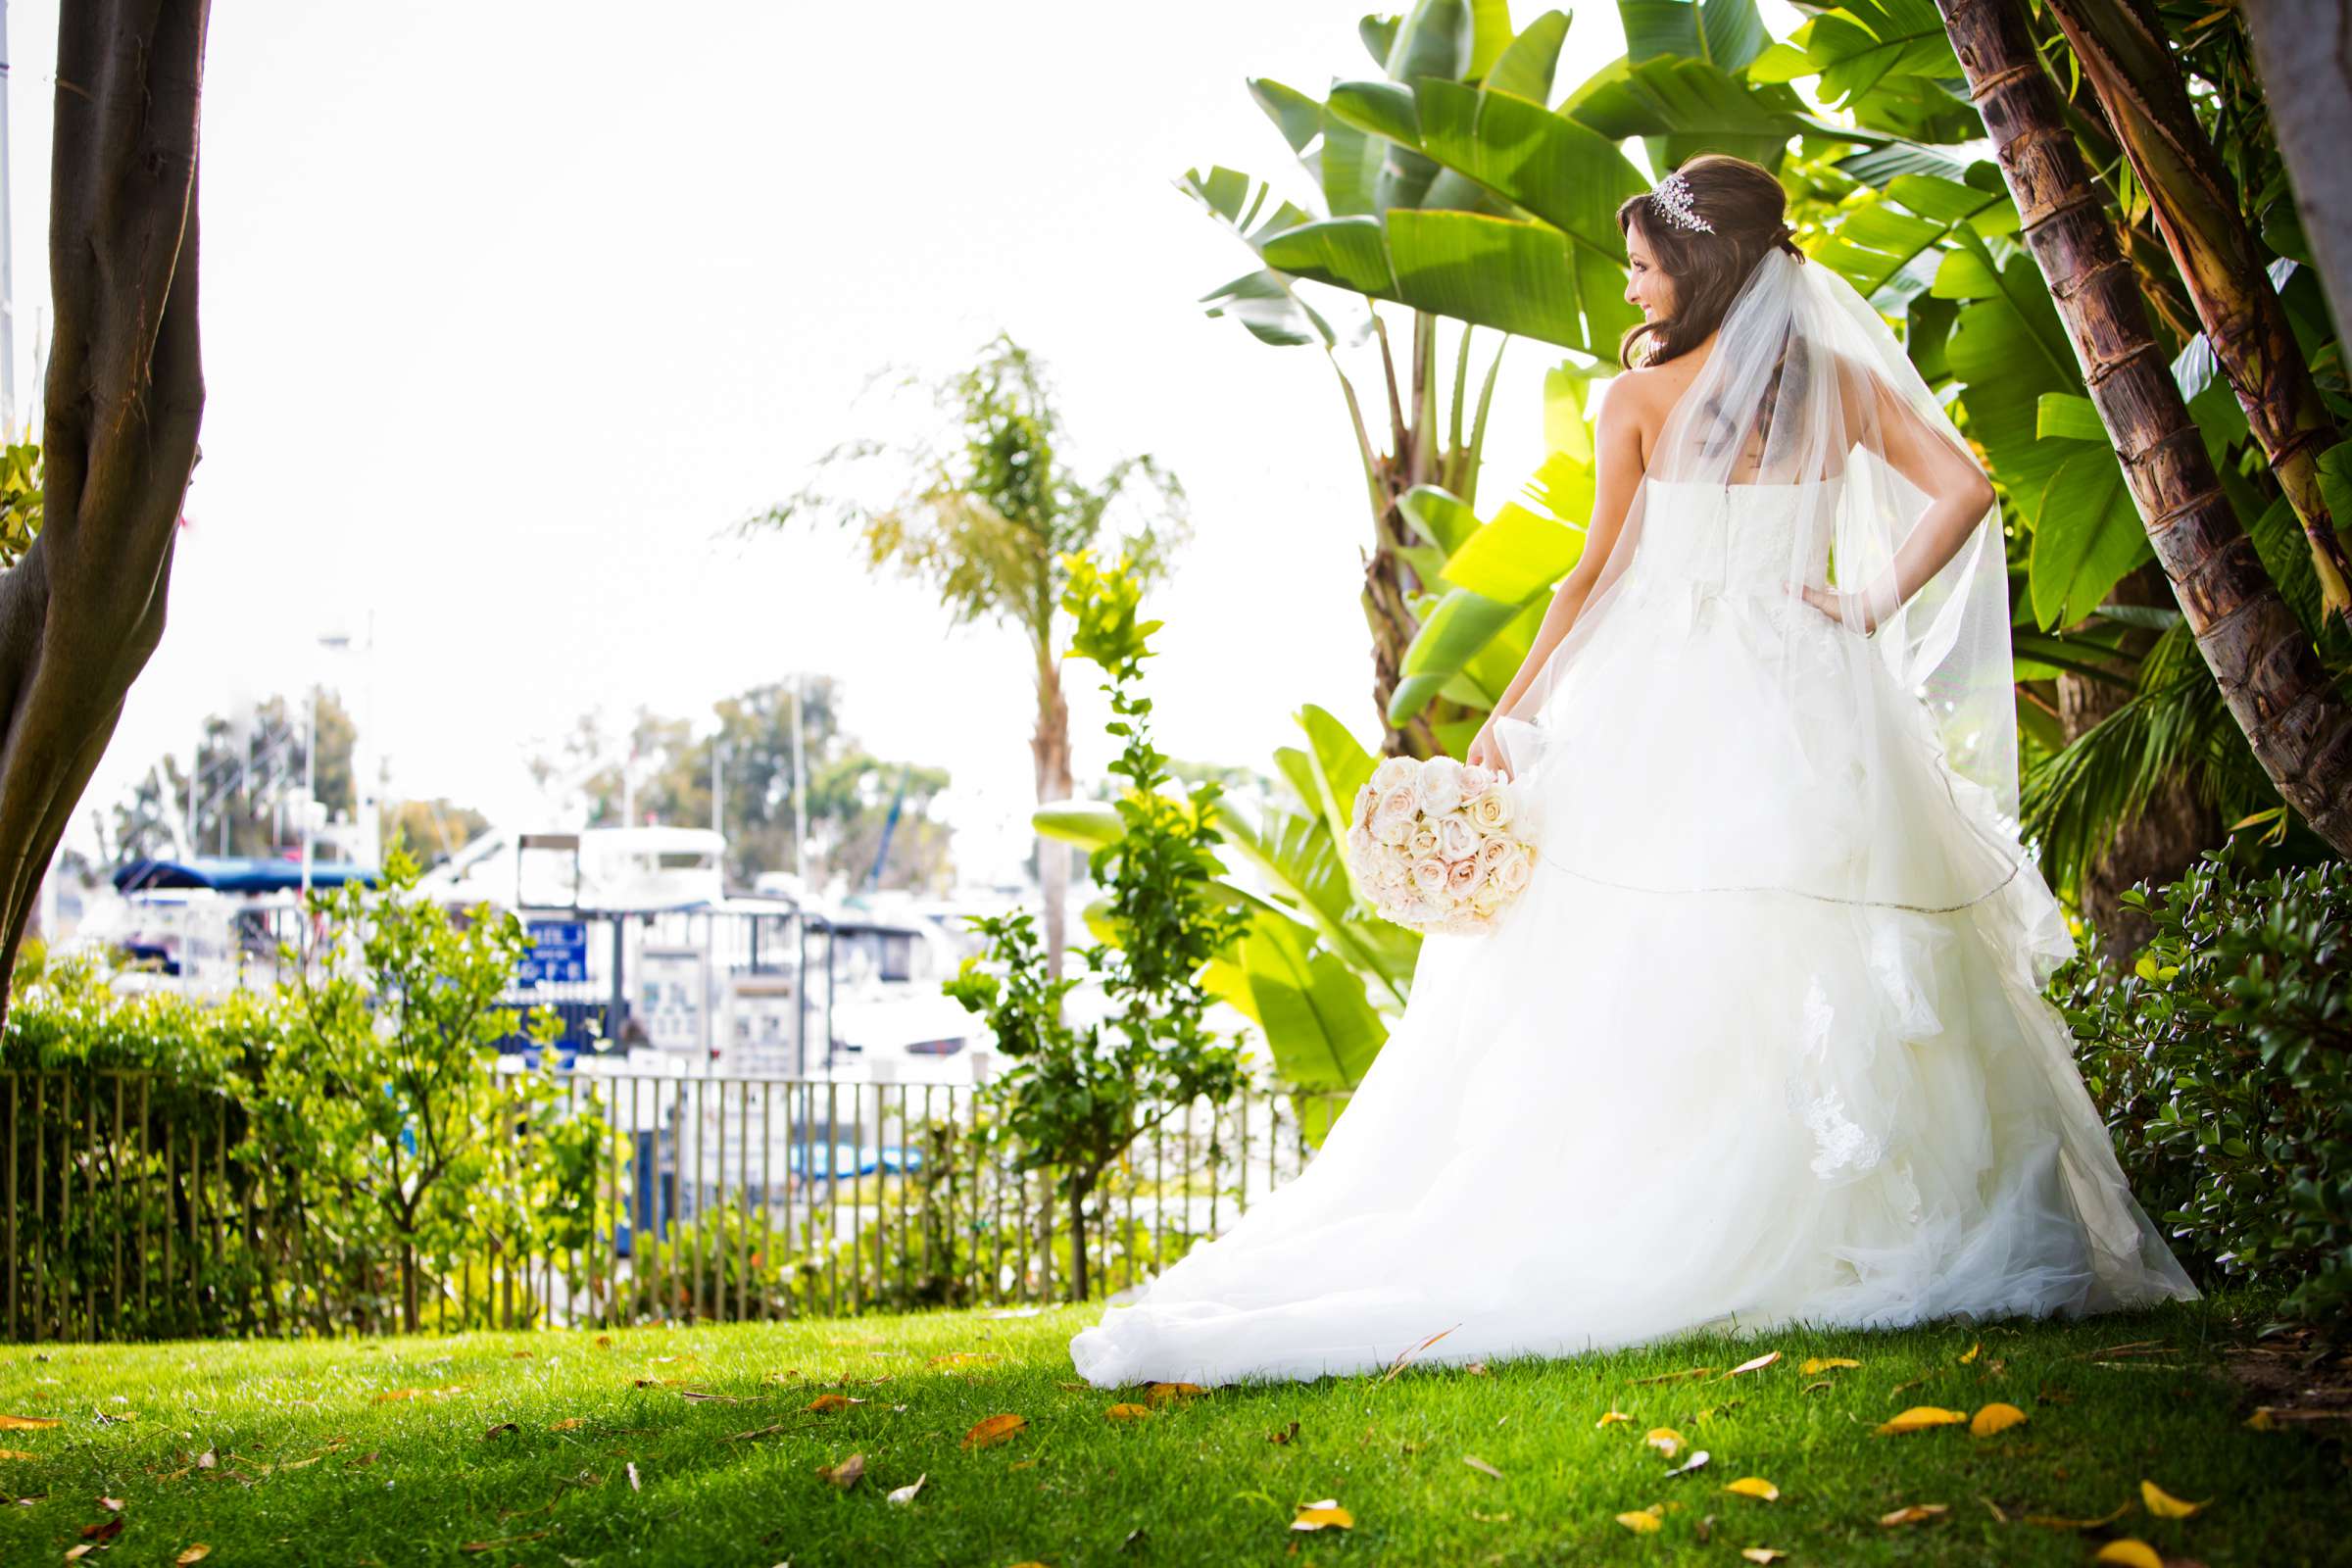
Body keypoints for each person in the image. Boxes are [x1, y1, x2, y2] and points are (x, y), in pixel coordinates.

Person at [1068, 155, 2196, 1390]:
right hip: (1817, 686)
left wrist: (1512, 707)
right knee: (1834, 936)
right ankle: (1859, 1224)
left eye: (1646, 263)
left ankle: (1661, 1207)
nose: (1632, 282)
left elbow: (1592, 575)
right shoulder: (1841, 383)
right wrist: (1866, 601)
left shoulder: (1640, 398)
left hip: (1672, 693)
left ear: (1700, 270)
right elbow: (1967, 490)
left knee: (1646, 953)